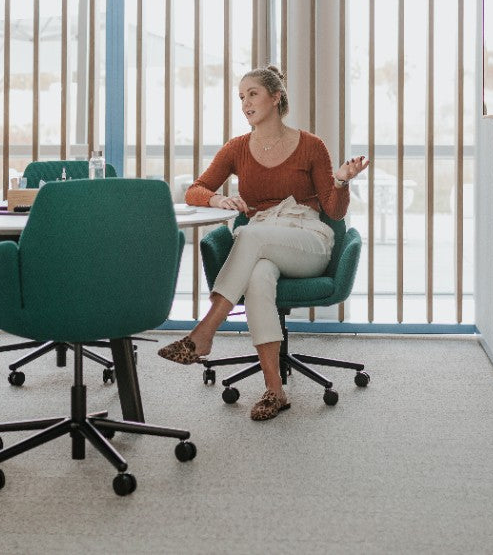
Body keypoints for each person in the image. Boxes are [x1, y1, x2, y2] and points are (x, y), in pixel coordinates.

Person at [158, 65, 369, 421]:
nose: (245, 103)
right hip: (261, 238)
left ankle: (206, 330)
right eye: (241, 97)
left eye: (252, 94)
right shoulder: (237, 148)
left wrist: (342, 181)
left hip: (307, 241)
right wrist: (216, 200)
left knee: (250, 234)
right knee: (257, 277)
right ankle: (275, 390)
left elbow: (333, 211)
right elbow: (196, 188)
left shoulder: (311, 146)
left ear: (276, 96)